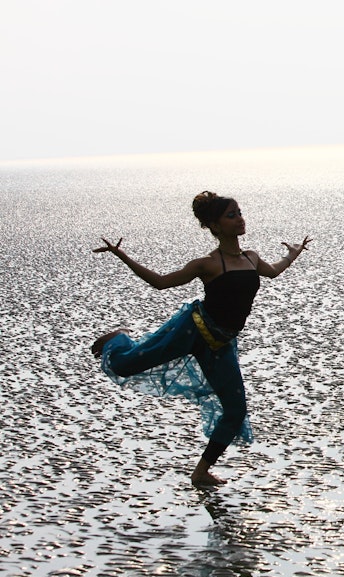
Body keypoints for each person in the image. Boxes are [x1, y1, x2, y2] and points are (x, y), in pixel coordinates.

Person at [91, 191, 310, 486]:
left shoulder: (251, 258)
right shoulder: (207, 264)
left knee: (235, 411)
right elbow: (161, 282)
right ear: (215, 226)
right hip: (191, 331)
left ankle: (201, 471)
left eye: (240, 213)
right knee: (125, 366)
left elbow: (273, 272)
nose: (240, 219)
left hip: (221, 344)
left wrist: (292, 253)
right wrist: (122, 255)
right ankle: (116, 339)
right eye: (231, 215)